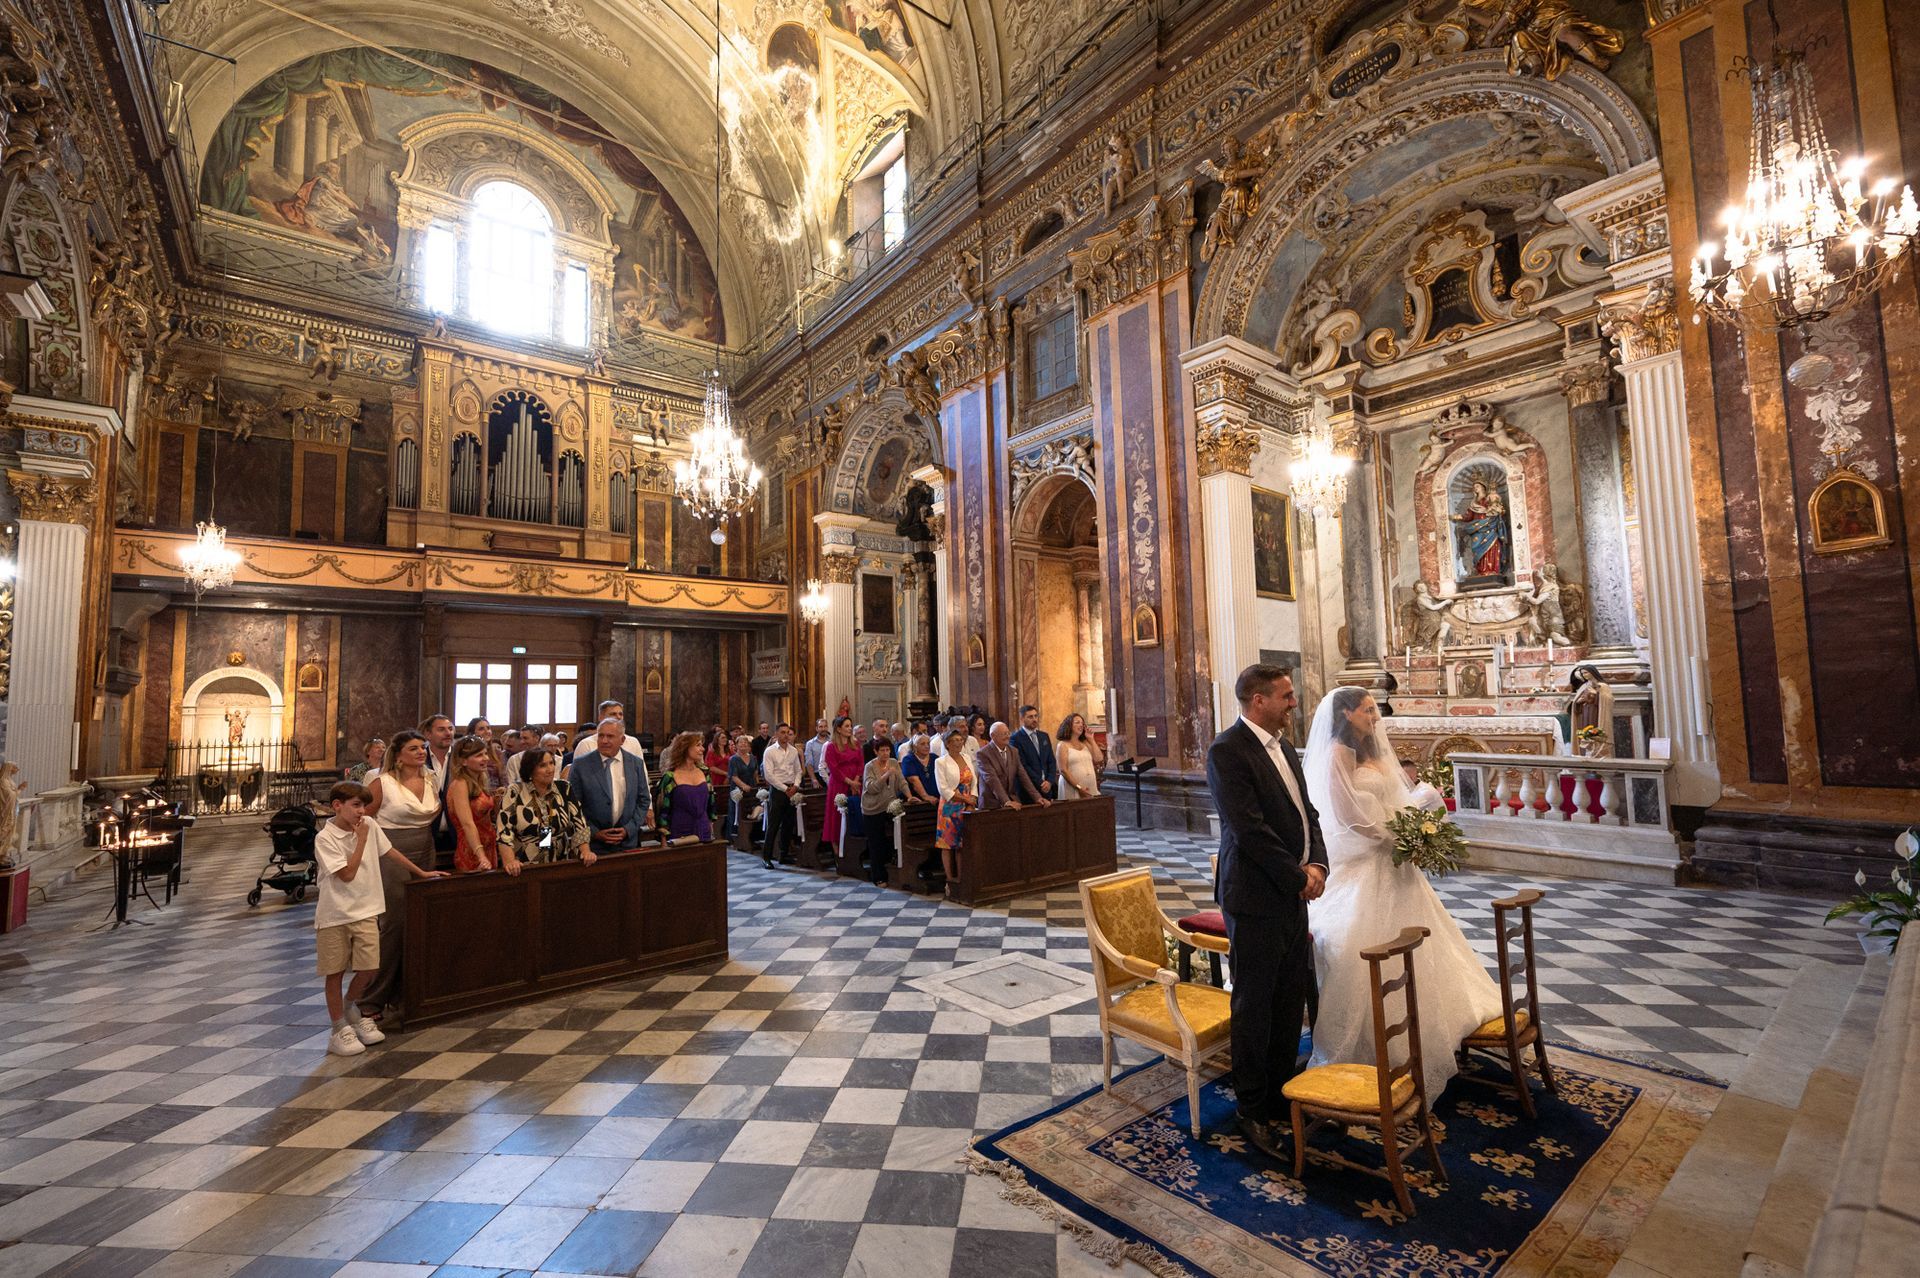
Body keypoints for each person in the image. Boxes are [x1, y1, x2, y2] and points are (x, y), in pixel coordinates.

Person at [1305, 686, 1504, 1098]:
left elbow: (1395, 801)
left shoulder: (1376, 753)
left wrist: (1419, 812)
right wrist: (1393, 837)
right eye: (1367, 710)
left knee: (1424, 946)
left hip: (1396, 865)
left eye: (1374, 710)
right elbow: (1347, 817)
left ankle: (1431, 1027)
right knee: (1364, 949)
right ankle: (1374, 1040)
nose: (1375, 717)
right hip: (1364, 862)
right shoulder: (1338, 755)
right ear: (1345, 714)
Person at [1208, 663, 1329, 1160]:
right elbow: (1249, 830)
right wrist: (1298, 877)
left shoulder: (1284, 748)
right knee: (1255, 1004)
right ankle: (1251, 1108)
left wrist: (1318, 861)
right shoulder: (1227, 751)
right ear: (1258, 701)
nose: (1293, 703)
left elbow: (1308, 812)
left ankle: (1281, 1090)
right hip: (1256, 896)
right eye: (1285, 696)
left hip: (1292, 893)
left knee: (1288, 996)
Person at [314, 781, 443, 1057]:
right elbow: (346, 874)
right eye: (356, 805)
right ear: (338, 806)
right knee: (335, 972)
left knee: (370, 967)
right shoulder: (325, 838)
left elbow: (389, 851)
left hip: (366, 908)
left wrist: (420, 872)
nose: (362, 811)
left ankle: (350, 1007)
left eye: (364, 805)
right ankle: (338, 1028)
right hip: (335, 913)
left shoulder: (370, 826)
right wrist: (360, 841)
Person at [357, 730, 442, 1028]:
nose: (420, 753)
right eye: (413, 748)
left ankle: (408, 993)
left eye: (423, 748)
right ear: (399, 753)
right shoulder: (383, 782)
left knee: (420, 920)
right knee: (395, 923)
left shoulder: (431, 778)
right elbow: (363, 818)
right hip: (390, 850)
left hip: (425, 848)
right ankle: (371, 997)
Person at [499, 748, 598, 869]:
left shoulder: (564, 787)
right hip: (525, 863)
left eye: (551, 763)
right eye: (542, 765)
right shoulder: (515, 791)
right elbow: (504, 831)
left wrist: (585, 851)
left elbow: (579, 823)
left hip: (560, 860)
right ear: (530, 769)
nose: (550, 769)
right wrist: (510, 861)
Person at [571, 718, 653, 850]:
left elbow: (643, 799)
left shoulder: (635, 763)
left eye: (610, 736)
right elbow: (573, 806)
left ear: (622, 740)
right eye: (601, 736)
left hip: (627, 843)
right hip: (593, 846)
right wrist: (594, 832)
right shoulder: (581, 765)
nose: (604, 741)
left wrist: (629, 829)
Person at [444, 736, 501, 874]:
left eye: (485, 753)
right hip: (472, 849)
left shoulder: (480, 779)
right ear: (463, 761)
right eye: (479, 755)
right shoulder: (460, 784)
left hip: (489, 845)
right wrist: (481, 856)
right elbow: (467, 823)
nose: (486, 758)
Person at [933, 726, 977, 895]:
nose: (959, 743)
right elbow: (943, 789)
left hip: (967, 804)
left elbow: (974, 781)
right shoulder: (941, 762)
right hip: (950, 807)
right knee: (948, 843)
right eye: (955, 740)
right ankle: (950, 879)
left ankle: (961, 877)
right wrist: (964, 798)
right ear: (948, 743)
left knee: (962, 844)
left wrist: (972, 798)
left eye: (961, 740)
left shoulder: (966, 757)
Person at [860, 737, 909, 884]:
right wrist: (885, 775)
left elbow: (901, 781)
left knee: (891, 840)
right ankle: (878, 877)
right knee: (876, 843)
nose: (886, 753)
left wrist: (910, 796)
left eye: (888, 750)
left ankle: (893, 873)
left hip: (889, 807)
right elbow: (871, 788)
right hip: (872, 808)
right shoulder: (869, 766)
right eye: (882, 750)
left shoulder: (893, 763)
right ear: (876, 751)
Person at [977, 721, 1050, 811]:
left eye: (1008, 733)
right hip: (991, 805)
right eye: (1004, 734)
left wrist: (1038, 797)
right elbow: (992, 780)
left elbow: (1024, 776)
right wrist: (1006, 801)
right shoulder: (983, 754)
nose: (1008, 736)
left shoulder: (1014, 751)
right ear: (993, 736)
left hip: (1012, 801)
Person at [761, 722, 804, 867]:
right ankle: (766, 857)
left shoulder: (793, 751)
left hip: (792, 789)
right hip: (778, 791)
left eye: (787, 732)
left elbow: (798, 771)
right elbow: (769, 775)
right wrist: (785, 788)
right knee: (773, 825)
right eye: (782, 732)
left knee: (788, 824)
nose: (785, 735)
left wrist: (796, 786)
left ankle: (783, 855)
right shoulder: (770, 751)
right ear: (777, 734)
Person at [821, 716, 866, 850]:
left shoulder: (856, 744)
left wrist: (856, 780)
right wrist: (850, 782)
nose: (850, 728)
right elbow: (834, 769)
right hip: (840, 784)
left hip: (856, 783)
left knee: (855, 812)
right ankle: (837, 849)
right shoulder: (831, 746)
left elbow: (860, 763)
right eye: (846, 726)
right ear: (839, 729)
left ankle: (855, 847)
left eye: (850, 725)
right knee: (837, 816)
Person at [660, 731, 713, 842]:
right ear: (685, 748)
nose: (702, 749)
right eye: (698, 745)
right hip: (680, 830)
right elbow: (664, 809)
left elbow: (711, 802)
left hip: (703, 827)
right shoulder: (670, 776)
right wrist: (663, 834)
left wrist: (710, 824)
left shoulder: (705, 772)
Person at [570, 701, 645, 761]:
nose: (618, 717)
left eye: (620, 714)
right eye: (613, 714)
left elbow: (642, 774)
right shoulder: (586, 745)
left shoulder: (633, 742)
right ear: (601, 717)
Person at [1011, 704, 1058, 798]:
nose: (1034, 719)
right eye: (1030, 717)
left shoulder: (1044, 736)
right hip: (1029, 789)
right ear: (1022, 719)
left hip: (1048, 787)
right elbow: (1022, 765)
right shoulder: (1015, 738)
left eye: (1036, 716)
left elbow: (1051, 760)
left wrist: (1049, 781)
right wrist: (1041, 783)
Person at [1056, 713, 1104, 800]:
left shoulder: (1085, 743)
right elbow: (1063, 770)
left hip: (1090, 787)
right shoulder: (1062, 745)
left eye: (1082, 723)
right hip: (1072, 788)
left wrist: (1091, 739)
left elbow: (1099, 759)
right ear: (1069, 725)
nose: (1081, 725)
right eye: (1077, 722)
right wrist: (1079, 788)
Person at [727, 733, 760, 845]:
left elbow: (755, 772)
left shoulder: (753, 758)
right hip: (738, 789)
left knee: (752, 810)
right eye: (741, 743)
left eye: (745, 743)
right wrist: (743, 786)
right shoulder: (733, 759)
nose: (743, 745)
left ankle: (752, 838)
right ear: (736, 745)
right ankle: (735, 837)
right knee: (737, 812)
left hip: (751, 786)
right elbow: (733, 776)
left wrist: (756, 784)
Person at [901, 734, 938, 803]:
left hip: (937, 797)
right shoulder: (908, 760)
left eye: (928, 743)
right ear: (915, 746)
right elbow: (914, 780)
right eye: (922, 744)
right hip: (919, 800)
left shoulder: (935, 758)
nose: (927, 746)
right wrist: (925, 796)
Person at [802, 718, 832, 786]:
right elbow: (809, 763)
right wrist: (813, 779)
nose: (823, 729)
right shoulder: (810, 744)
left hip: (832, 774)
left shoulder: (832, 742)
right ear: (816, 728)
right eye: (821, 727)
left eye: (825, 726)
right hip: (818, 775)